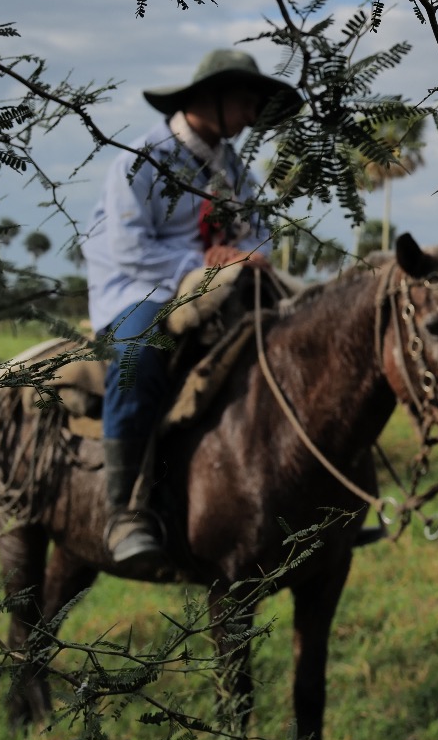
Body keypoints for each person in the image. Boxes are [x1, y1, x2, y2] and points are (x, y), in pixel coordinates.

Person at [86, 49, 300, 564]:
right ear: (213, 97)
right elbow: (128, 246)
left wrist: (246, 257)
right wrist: (202, 263)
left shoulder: (235, 172)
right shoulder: (141, 159)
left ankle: (297, 501)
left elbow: (261, 237)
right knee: (138, 354)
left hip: (221, 286)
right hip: (140, 291)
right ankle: (125, 512)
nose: (254, 113)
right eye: (248, 100)